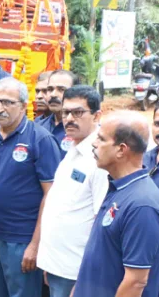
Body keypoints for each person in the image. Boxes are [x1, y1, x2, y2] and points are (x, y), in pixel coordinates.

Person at [0, 78, 60, 297]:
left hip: (20, 238)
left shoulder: (40, 139)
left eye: (8, 102)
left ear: (24, 106)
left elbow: (50, 195)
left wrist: (35, 245)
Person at [72, 111, 159, 297]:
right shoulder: (119, 187)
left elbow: (136, 281)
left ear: (121, 150)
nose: (94, 143)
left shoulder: (142, 205)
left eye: (101, 139)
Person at [36, 85, 108, 297]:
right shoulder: (73, 150)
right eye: (66, 112)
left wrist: (87, 277)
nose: (69, 118)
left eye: (78, 112)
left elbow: (100, 224)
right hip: (58, 265)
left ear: (97, 115)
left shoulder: (99, 160)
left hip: (77, 272)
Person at [39, 70, 79, 158]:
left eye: (61, 89)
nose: (53, 94)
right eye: (50, 89)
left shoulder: (83, 129)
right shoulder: (38, 127)